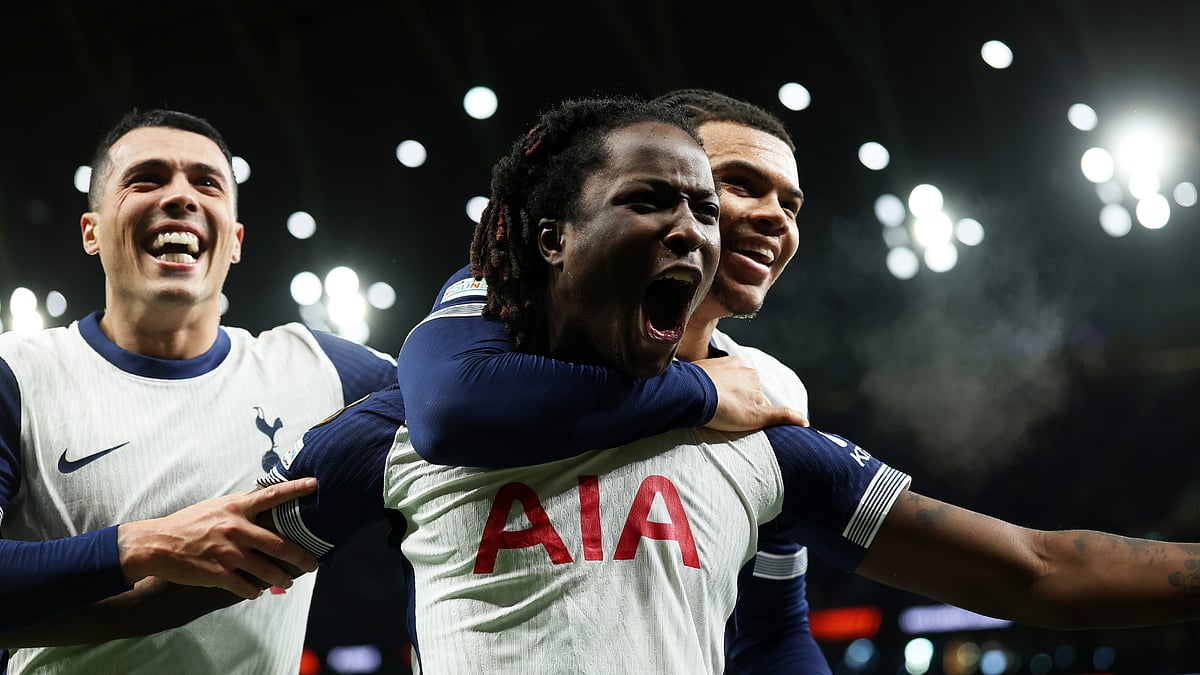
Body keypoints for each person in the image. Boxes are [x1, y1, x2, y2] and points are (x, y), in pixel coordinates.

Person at [248, 95, 1200, 672]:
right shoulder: (460, 350)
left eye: (783, 201)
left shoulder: (766, 420)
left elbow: (1023, 571)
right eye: (714, 185)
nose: (759, 220)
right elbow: (450, 409)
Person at [396, 88, 825, 672]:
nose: (776, 216)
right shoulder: (510, 313)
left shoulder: (770, 388)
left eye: (791, 204)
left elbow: (774, 627)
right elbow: (450, 404)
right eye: (741, 185)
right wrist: (701, 394)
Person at [0, 108, 398, 674]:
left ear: (234, 241)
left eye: (206, 183)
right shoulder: (17, 374)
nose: (181, 196)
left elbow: (456, 393)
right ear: (91, 231)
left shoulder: (323, 370)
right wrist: (145, 544)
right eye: (147, 178)